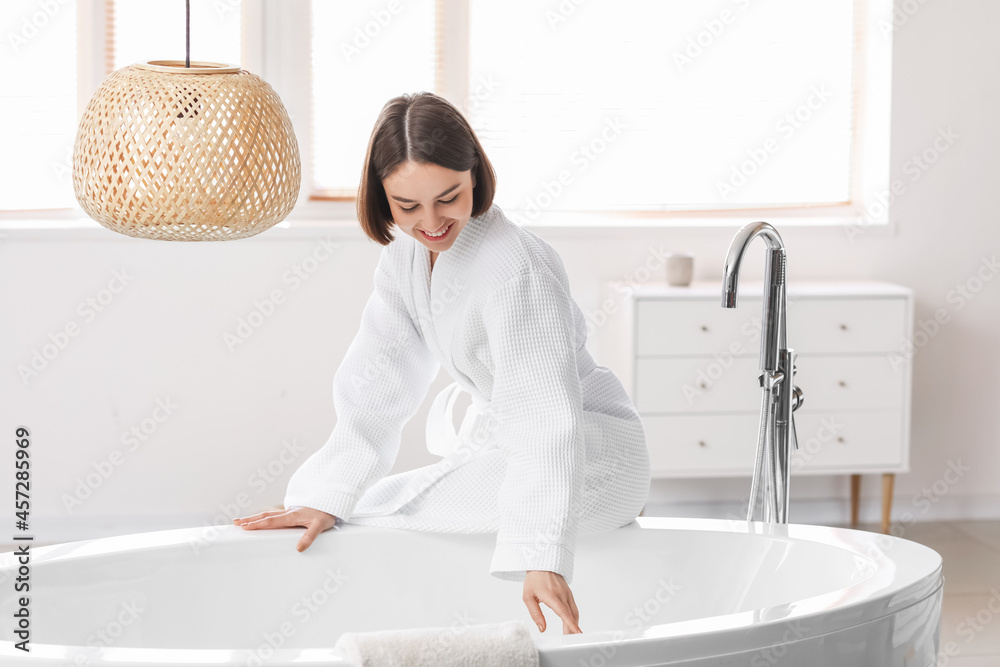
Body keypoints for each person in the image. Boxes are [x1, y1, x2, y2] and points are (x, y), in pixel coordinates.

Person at [233, 91, 650, 635]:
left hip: (592, 460)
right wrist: (325, 494)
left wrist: (543, 552)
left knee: (383, 511)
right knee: (357, 505)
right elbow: (378, 377)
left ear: (474, 175)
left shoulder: (516, 268)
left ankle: (383, 627)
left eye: (448, 197)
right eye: (407, 207)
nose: (430, 222)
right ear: (382, 199)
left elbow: (542, 415)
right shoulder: (405, 255)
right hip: (513, 450)